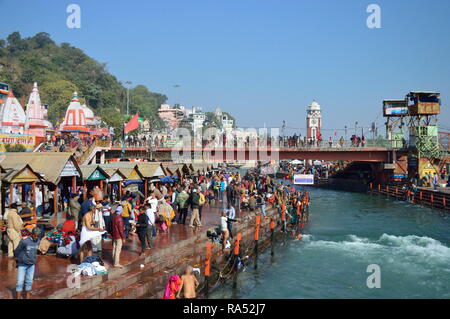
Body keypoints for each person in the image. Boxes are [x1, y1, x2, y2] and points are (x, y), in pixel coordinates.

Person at [14, 228, 40, 299]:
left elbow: (35, 251)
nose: (36, 237)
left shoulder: (38, 241)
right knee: (20, 282)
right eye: (35, 236)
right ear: (31, 234)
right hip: (22, 264)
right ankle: (18, 297)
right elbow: (16, 251)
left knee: (29, 281)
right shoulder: (24, 242)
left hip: (31, 264)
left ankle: (28, 296)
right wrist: (17, 260)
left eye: (38, 236)